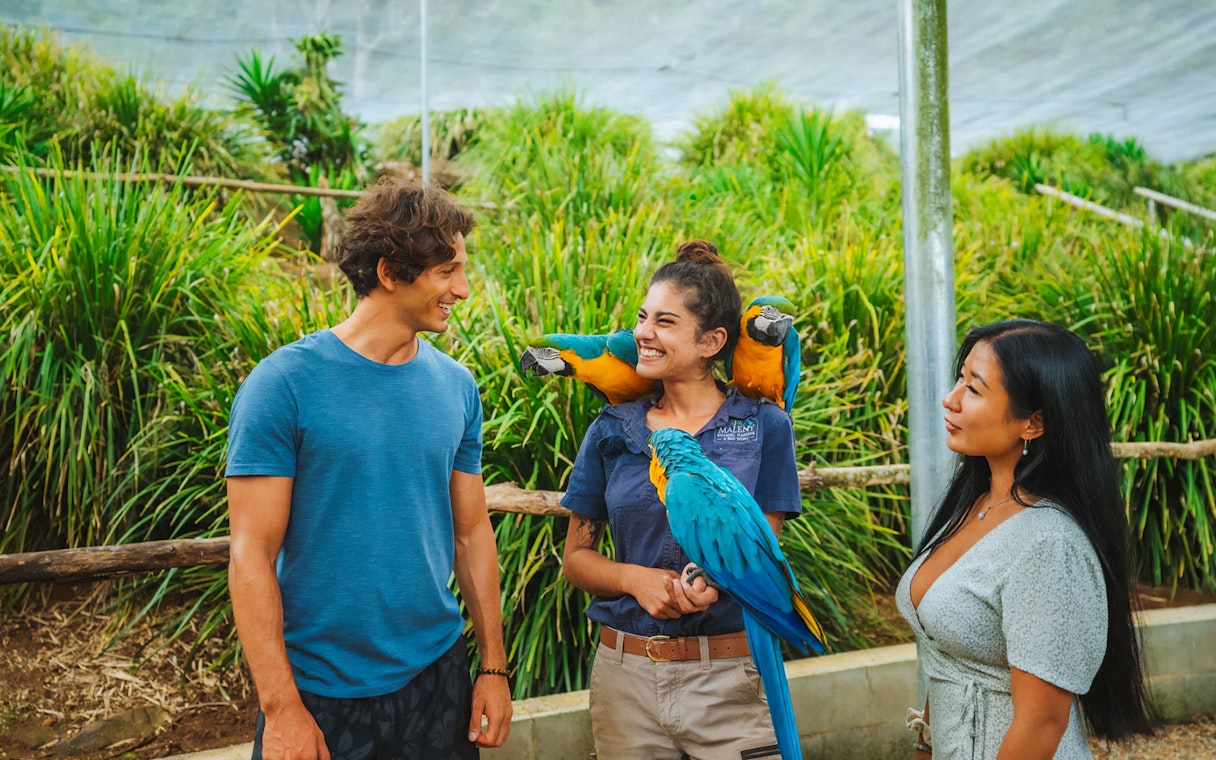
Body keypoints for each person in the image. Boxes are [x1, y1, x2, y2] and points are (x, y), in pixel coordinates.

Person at [225, 177, 512, 760]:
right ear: (389, 272)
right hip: (320, 694)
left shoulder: (457, 388)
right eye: (446, 272)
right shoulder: (284, 385)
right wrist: (281, 710)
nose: (462, 288)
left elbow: (471, 530)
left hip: (437, 681)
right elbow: (250, 553)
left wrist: (493, 669)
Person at [560, 240, 802, 760]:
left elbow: (761, 552)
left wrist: (710, 584)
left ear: (713, 340)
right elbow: (576, 560)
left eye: (664, 322)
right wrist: (635, 580)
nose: (641, 333)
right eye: (642, 317)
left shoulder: (765, 427)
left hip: (729, 679)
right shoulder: (611, 430)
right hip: (626, 683)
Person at [896, 319, 1157, 759]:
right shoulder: (973, 505)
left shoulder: (1049, 544)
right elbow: (947, 655)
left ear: (1033, 423)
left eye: (974, 389)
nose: (951, 399)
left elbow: (1041, 723)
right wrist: (926, 745)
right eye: (960, 380)